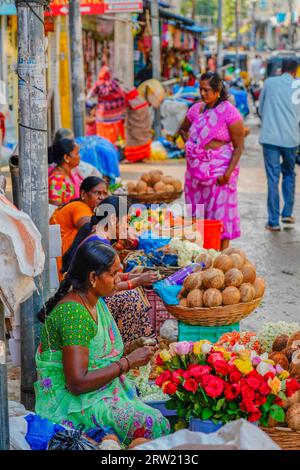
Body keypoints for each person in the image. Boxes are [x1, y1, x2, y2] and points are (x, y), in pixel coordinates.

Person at [35, 240, 170, 444]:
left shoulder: (93, 301)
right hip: (69, 403)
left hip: (94, 391)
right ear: (92, 278)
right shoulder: (74, 314)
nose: (118, 280)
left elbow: (96, 355)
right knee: (155, 422)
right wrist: (129, 362)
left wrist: (132, 348)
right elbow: (77, 383)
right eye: (113, 274)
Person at [62, 196, 159, 343]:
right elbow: (106, 287)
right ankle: (131, 348)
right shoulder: (98, 242)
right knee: (130, 297)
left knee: (133, 293)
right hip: (86, 303)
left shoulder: (98, 237)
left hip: (85, 297)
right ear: (113, 219)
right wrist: (137, 281)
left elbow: (107, 278)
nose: (127, 226)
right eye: (126, 221)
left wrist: (129, 276)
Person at [178, 72, 245, 251]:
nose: (202, 93)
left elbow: (239, 147)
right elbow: (183, 129)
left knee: (219, 217)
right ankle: (199, 253)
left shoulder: (229, 112)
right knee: (197, 216)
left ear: (217, 91)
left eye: (206, 90)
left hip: (219, 174)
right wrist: (192, 148)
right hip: (196, 174)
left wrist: (228, 174)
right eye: (200, 89)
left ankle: (218, 256)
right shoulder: (195, 109)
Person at [259, 59, 300, 231]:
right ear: (296, 71)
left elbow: (260, 109)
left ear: (280, 69)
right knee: (289, 173)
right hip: (291, 139)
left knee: (273, 178)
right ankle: (287, 213)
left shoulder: (269, 83)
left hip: (270, 139)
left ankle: (274, 222)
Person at [50, 176, 109, 277]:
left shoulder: (88, 208)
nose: (102, 197)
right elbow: (89, 227)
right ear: (83, 194)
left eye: (105, 194)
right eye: (97, 193)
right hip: (60, 266)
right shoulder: (80, 207)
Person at [88, 66, 126, 145]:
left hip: (103, 116)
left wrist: (92, 106)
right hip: (116, 116)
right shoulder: (114, 83)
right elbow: (122, 94)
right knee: (115, 134)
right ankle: (115, 148)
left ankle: (105, 147)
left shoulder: (98, 84)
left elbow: (89, 96)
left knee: (104, 135)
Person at [48, 138, 83, 206]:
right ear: (66, 158)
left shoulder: (72, 174)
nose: (79, 156)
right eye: (77, 153)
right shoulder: (56, 179)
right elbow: (55, 208)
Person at [123, 87, 152, 163]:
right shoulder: (142, 102)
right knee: (143, 140)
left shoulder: (131, 103)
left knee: (132, 141)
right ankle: (143, 157)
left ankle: (132, 158)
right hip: (144, 127)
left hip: (134, 128)